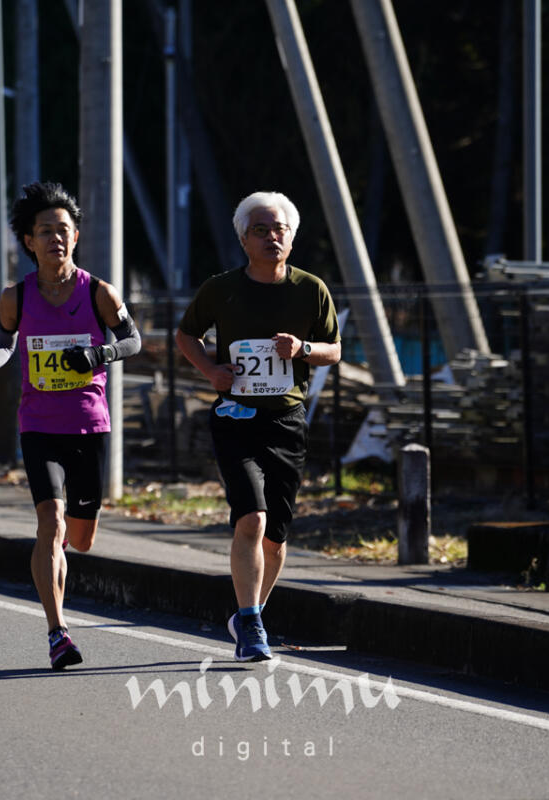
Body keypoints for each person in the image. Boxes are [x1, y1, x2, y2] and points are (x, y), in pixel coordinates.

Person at [0, 182, 141, 670]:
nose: (56, 239)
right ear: (29, 241)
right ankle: (57, 632)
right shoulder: (16, 296)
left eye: (63, 230)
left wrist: (99, 353)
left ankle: (62, 543)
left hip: (88, 424)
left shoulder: (99, 291)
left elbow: (133, 339)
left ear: (76, 236)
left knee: (80, 539)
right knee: (49, 521)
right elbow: (5, 342)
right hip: (39, 425)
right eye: (45, 231)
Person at [175, 191, 341, 662]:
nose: (272, 237)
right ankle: (250, 624)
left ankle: (252, 613)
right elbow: (186, 335)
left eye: (279, 229)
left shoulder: (311, 289)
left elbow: (334, 349)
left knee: (277, 537)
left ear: (292, 236)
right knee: (252, 517)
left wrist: (303, 349)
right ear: (243, 239)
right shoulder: (221, 289)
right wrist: (211, 371)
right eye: (260, 230)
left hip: (287, 421)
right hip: (236, 417)